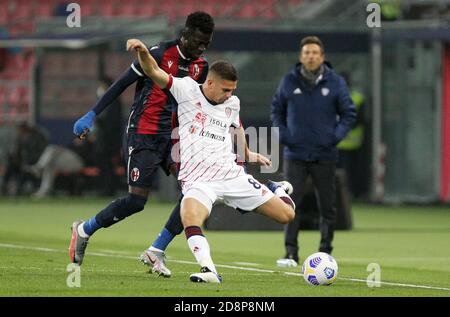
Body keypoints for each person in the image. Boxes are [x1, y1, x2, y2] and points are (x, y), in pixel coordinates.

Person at [128, 38, 295, 283]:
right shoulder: (185, 90)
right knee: (190, 217)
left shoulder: (232, 103)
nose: (230, 95)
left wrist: (247, 153)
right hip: (198, 181)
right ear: (209, 82)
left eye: (233, 90)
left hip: (232, 177)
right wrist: (143, 51)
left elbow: (236, 127)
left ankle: (277, 188)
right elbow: (153, 70)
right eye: (226, 90)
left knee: (287, 215)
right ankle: (209, 271)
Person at [69, 12, 215, 266]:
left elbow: (200, 104)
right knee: (136, 201)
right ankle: (83, 230)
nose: (202, 48)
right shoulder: (157, 54)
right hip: (144, 133)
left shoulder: (201, 67)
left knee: (195, 191)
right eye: (199, 42)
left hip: (175, 138)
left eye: (207, 44)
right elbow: (120, 84)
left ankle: (156, 249)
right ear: (186, 35)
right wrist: (91, 115)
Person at [271, 36, 357, 264]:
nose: (310, 56)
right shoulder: (288, 81)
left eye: (314, 53)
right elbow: (276, 111)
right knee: (290, 204)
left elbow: (349, 113)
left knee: (327, 206)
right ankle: (291, 252)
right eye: (307, 52)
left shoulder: (335, 82)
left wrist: (334, 137)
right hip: (295, 154)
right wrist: (285, 136)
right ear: (301, 57)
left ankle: (326, 252)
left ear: (322, 57)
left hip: (324, 154)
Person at [337, 72, 367, 199]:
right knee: (340, 172)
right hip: (339, 143)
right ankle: (343, 194)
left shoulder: (358, 98)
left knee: (353, 171)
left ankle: (354, 193)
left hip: (354, 143)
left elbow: (360, 119)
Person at [93, 76, 123, 196]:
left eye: (101, 86)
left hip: (109, 141)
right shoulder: (105, 101)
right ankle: (105, 189)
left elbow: (112, 123)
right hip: (104, 140)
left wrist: (99, 121)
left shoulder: (114, 101)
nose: (99, 89)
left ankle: (108, 190)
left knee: (108, 165)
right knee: (104, 165)